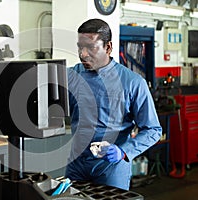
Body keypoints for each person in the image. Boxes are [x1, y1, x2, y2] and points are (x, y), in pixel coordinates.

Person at [65, 18, 162, 190]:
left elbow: (153, 130)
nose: (83, 54)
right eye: (80, 47)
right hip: (76, 165)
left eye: (91, 48)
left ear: (108, 48)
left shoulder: (132, 83)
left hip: (111, 167)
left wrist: (124, 151)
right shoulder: (71, 77)